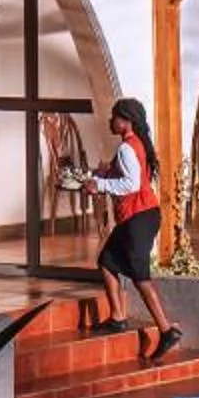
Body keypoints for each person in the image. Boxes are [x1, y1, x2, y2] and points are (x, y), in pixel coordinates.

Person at [79, 97, 182, 363]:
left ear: (126, 121)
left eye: (114, 116)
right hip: (136, 217)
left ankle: (167, 330)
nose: (110, 120)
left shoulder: (127, 148)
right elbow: (125, 178)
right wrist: (99, 177)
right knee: (107, 260)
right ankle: (117, 317)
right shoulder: (135, 145)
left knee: (140, 277)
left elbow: (132, 185)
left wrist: (99, 186)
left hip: (139, 217)